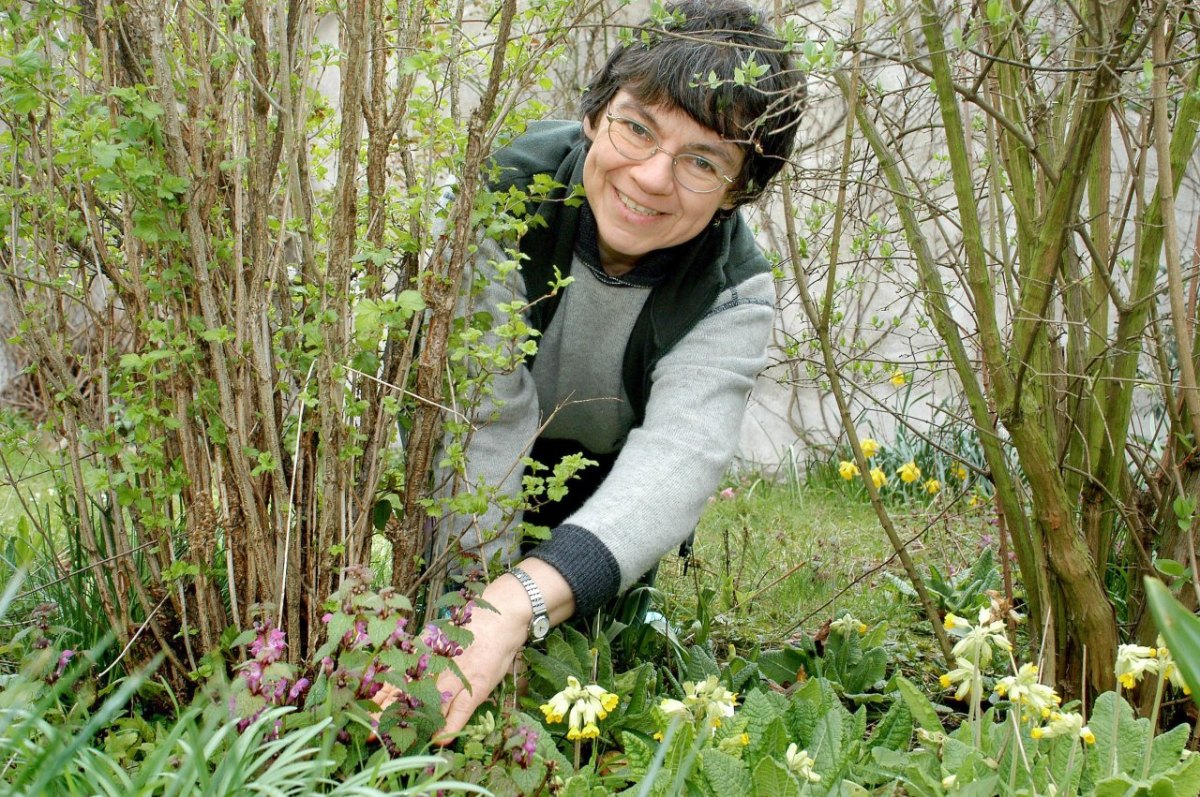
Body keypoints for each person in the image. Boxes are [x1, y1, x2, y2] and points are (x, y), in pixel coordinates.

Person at [381, 0, 804, 739]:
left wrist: (518, 603)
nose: (650, 177)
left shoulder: (732, 288)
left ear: (739, 191)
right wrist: (463, 610)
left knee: (585, 642)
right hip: (470, 460)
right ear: (594, 113)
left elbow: (676, 460)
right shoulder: (501, 194)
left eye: (702, 162)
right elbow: (484, 414)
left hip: (603, 474)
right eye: (636, 127)